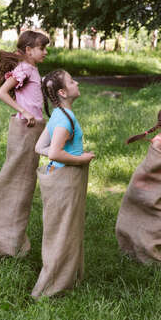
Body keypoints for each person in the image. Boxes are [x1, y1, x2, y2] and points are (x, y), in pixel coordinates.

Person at [0, 31, 49, 257]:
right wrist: (24, 111)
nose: (45, 52)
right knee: (15, 180)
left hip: (33, 129)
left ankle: (10, 240)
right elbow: (2, 92)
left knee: (24, 184)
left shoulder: (33, 69)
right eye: (42, 49)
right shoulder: (25, 69)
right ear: (29, 51)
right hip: (25, 129)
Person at [31, 69, 94, 298]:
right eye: (71, 80)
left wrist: (70, 151)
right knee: (64, 232)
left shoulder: (59, 114)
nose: (76, 82)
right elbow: (55, 153)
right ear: (62, 92)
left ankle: (66, 278)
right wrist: (80, 158)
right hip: (65, 181)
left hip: (60, 177)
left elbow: (40, 148)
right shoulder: (66, 120)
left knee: (63, 229)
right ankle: (51, 287)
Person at [115, 104, 161, 264]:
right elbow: (152, 165)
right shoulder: (157, 143)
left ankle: (150, 252)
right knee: (155, 217)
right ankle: (144, 254)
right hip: (146, 189)